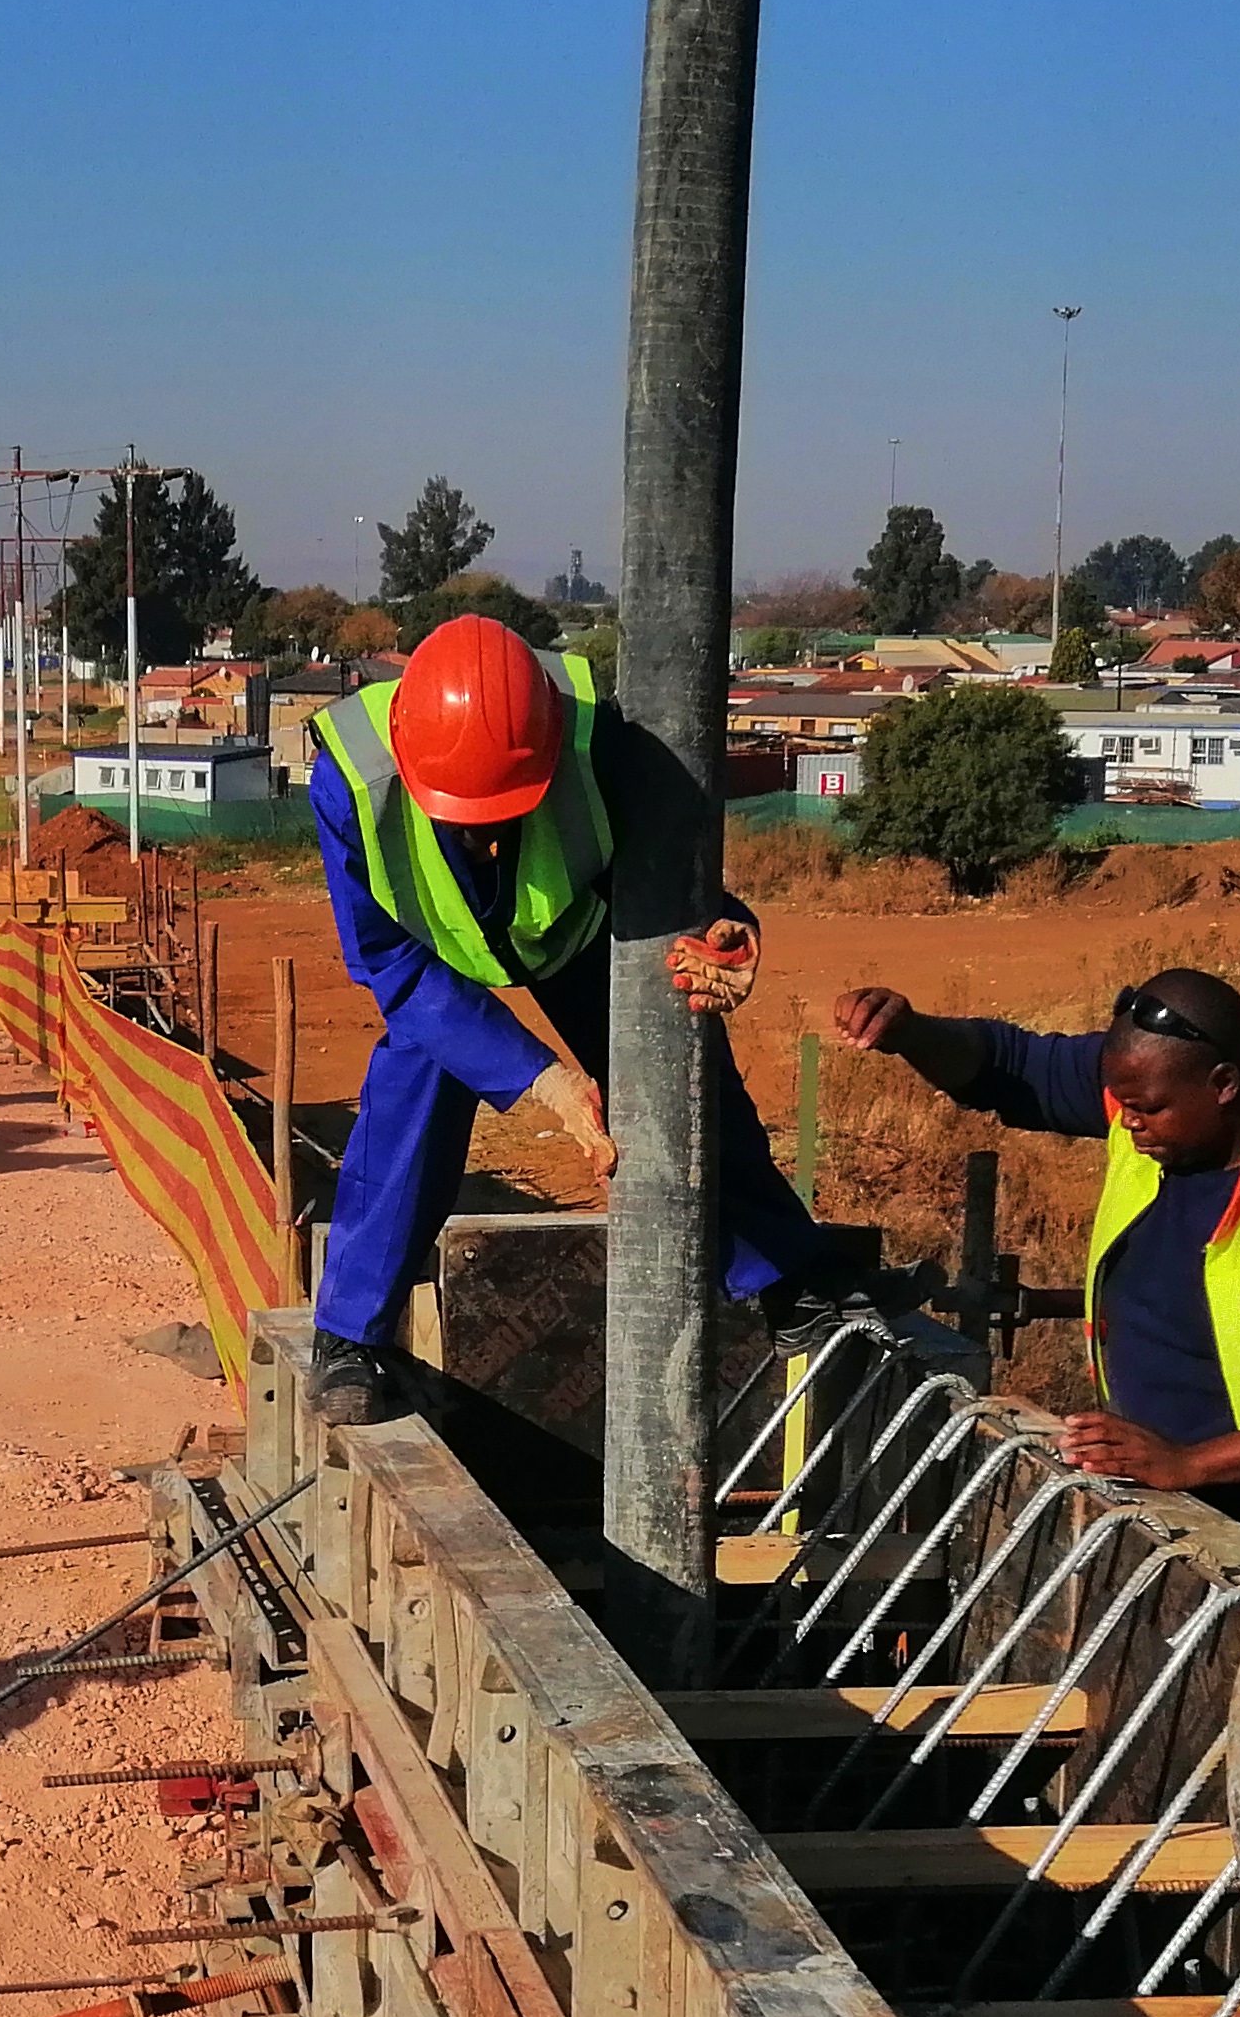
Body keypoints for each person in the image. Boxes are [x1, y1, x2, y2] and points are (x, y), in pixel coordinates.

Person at [297, 610, 886, 1428]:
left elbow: (676, 888)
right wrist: (541, 1080)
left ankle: (790, 1280)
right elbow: (391, 964)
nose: (483, 833)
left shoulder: (601, 747)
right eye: (463, 817)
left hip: (580, 935)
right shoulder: (351, 784)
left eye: (502, 812)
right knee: (412, 1093)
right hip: (437, 968)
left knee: (680, 1078)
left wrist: (721, 933)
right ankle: (352, 1339)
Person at [826, 967, 1240, 1576]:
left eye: (1146, 1109)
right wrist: (909, 1031)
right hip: (1184, 1519)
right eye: (1121, 1103)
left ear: (1223, 1084)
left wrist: (1189, 1463)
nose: (1127, 1121)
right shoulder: (1162, 1094)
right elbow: (1008, 1068)